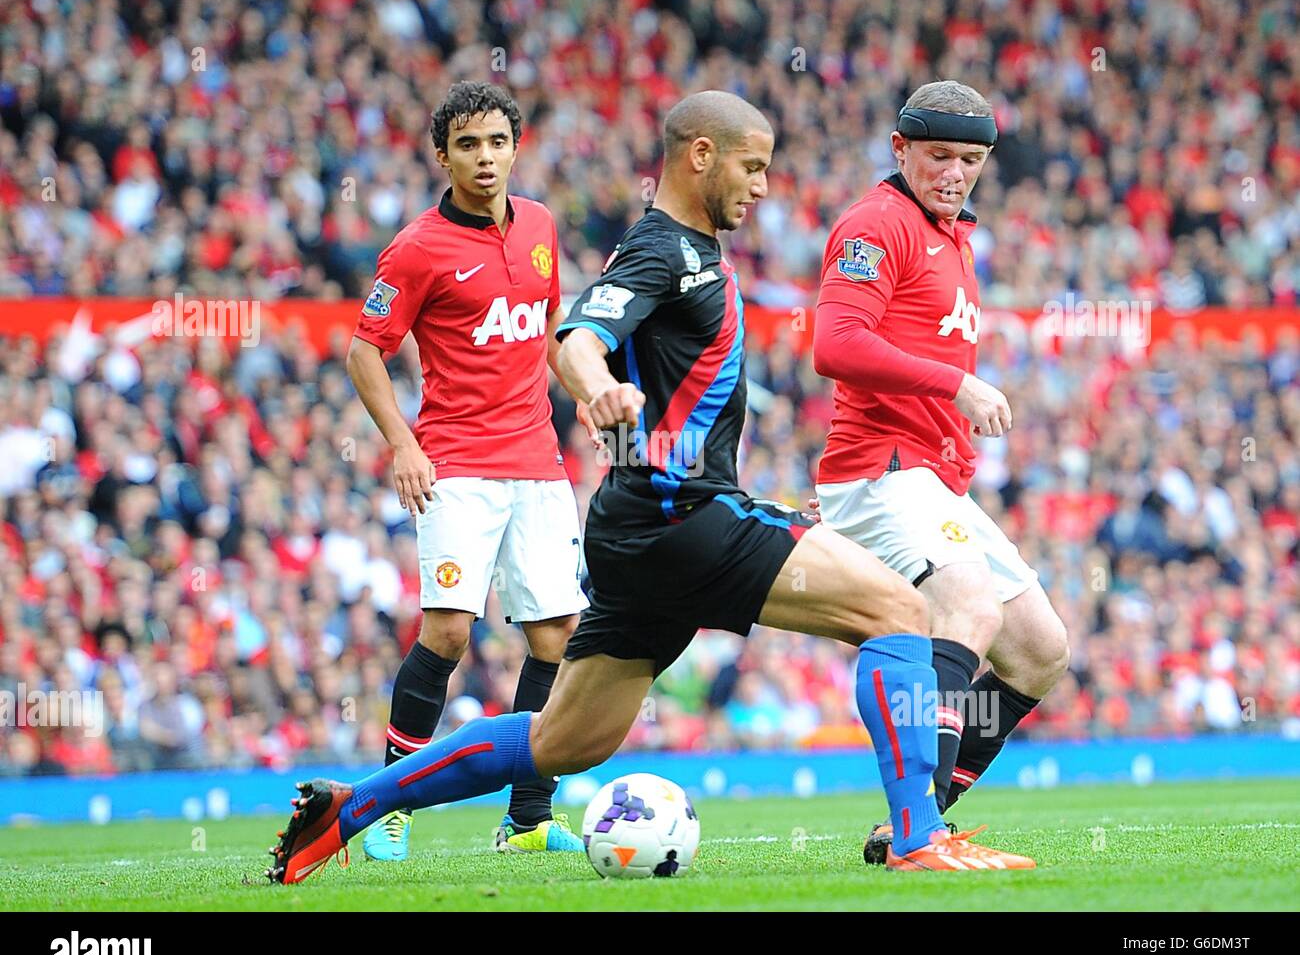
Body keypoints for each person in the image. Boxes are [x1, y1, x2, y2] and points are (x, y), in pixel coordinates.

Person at [266, 90, 1036, 884]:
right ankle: (917, 834)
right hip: (678, 515)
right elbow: (578, 337)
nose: (763, 186)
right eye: (752, 166)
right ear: (699, 155)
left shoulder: (699, 251)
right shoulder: (661, 248)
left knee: (561, 741)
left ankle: (347, 805)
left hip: (650, 528)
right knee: (902, 610)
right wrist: (597, 383)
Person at [810, 81, 1070, 863]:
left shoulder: (954, 236)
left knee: (1039, 647)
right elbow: (835, 344)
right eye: (938, 156)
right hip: (879, 467)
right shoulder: (876, 224)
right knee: (967, 601)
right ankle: (920, 829)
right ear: (900, 151)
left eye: (971, 158)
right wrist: (956, 384)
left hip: (932, 475)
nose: (955, 172)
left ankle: (920, 817)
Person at [345, 81, 593, 859]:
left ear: (515, 147)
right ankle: (389, 803)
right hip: (455, 462)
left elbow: (550, 332)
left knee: (556, 636)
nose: (485, 158)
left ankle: (526, 818)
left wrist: (590, 392)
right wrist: (402, 443)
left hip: (538, 465)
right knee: (450, 631)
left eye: (496, 142)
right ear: (443, 155)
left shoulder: (543, 227)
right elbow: (364, 350)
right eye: (467, 145)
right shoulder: (418, 246)